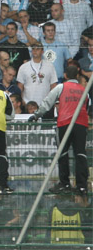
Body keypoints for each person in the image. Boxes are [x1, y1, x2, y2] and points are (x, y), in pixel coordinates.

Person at [32, 63, 90, 196]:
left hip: (65, 122)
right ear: (77, 76)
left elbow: (47, 102)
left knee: (63, 153)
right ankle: (81, 186)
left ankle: (65, 183)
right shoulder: (84, 90)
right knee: (80, 154)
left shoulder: (61, 87)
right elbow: (87, 107)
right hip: (81, 123)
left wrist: (36, 115)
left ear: (65, 75)